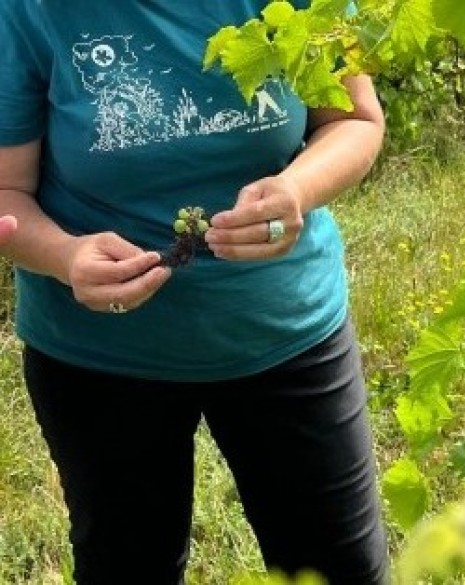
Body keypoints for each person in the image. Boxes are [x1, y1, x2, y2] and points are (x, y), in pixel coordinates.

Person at [0, 2, 389, 584]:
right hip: (100, 356)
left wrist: (295, 191)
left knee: (339, 569)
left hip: (285, 333)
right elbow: (6, 188)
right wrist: (64, 256)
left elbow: (354, 120)